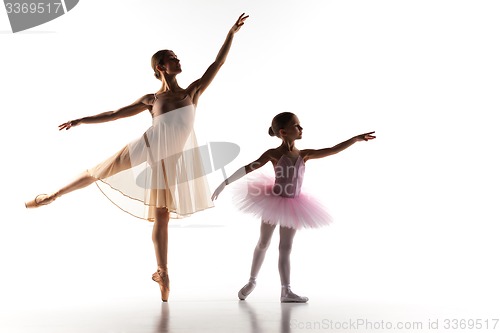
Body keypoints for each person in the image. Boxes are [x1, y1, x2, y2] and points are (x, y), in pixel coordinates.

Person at [25, 13, 249, 302]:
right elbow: (114, 113)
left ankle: (162, 272)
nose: (178, 60)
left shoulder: (193, 92)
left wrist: (231, 32)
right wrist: (80, 120)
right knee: (98, 171)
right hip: (147, 146)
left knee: (162, 215)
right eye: (172, 57)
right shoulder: (151, 100)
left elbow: (217, 64)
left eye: (177, 56)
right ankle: (52, 195)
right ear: (160, 67)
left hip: (168, 161)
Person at [211, 112, 375, 302]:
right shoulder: (273, 154)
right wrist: (224, 183)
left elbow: (333, 149)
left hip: (294, 205)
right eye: (297, 126)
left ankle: (286, 291)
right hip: (274, 202)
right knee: (263, 242)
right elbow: (248, 167)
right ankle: (252, 281)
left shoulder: (304, 155)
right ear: (283, 132)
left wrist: (355, 139)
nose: (301, 128)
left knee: (286, 247)